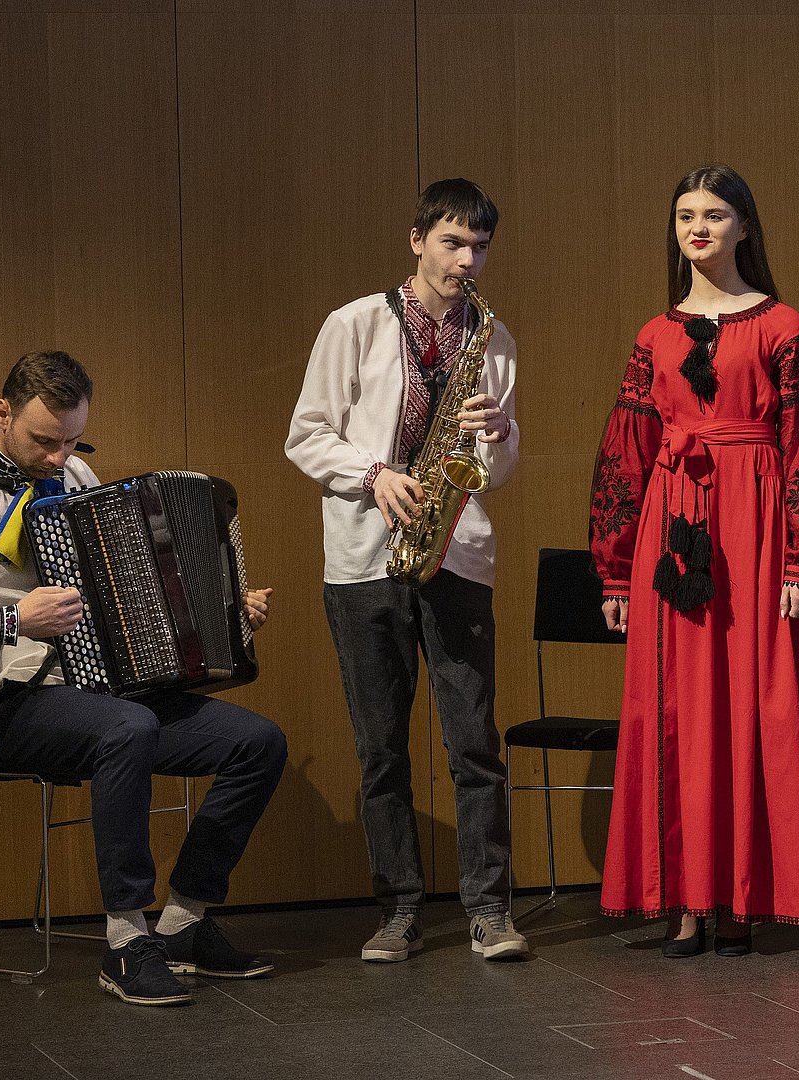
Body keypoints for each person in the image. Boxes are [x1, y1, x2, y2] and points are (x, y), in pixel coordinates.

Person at [0, 350, 288, 1007]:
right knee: (130, 727)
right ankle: (126, 942)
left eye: (71, 441)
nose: (58, 457)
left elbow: (127, 587)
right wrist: (13, 618)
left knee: (257, 743)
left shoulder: (73, 475)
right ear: (2, 412)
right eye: (44, 440)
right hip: (15, 707)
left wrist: (223, 610)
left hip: (109, 693)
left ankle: (183, 923)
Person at [589, 163, 799, 957]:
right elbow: (626, 453)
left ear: (744, 227)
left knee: (750, 703)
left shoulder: (782, 324)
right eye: (685, 216)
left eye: (714, 214)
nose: (697, 227)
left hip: (754, 526)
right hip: (672, 523)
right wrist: (615, 568)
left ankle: (740, 898)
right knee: (671, 707)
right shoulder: (654, 335)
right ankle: (683, 900)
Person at [286, 178, 526, 963]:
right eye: (452, 242)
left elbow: (497, 470)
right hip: (365, 555)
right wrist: (373, 474)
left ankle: (489, 909)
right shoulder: (354, 323)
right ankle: (397, 910)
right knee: (381, 748)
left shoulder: (493, 337)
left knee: (475, 743)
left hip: (456, 552)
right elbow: (305, 434)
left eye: (479, 247)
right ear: (417, 239)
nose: (466, 261)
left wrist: (498, 434)